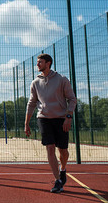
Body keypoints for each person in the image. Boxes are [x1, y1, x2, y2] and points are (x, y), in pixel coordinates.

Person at [24, 53, 77, 193]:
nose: (37, 65)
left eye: (40, 62)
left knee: (63, 151)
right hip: (43, 118)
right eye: (37, 62)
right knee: (49, 147)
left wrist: (68, 117)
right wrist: (26, 123)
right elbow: (31, 104)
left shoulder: (62, 79)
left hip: (61, 119)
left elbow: (72, 99)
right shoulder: (35, 82)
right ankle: (58, 180)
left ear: (48, 63)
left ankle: (63, 169)